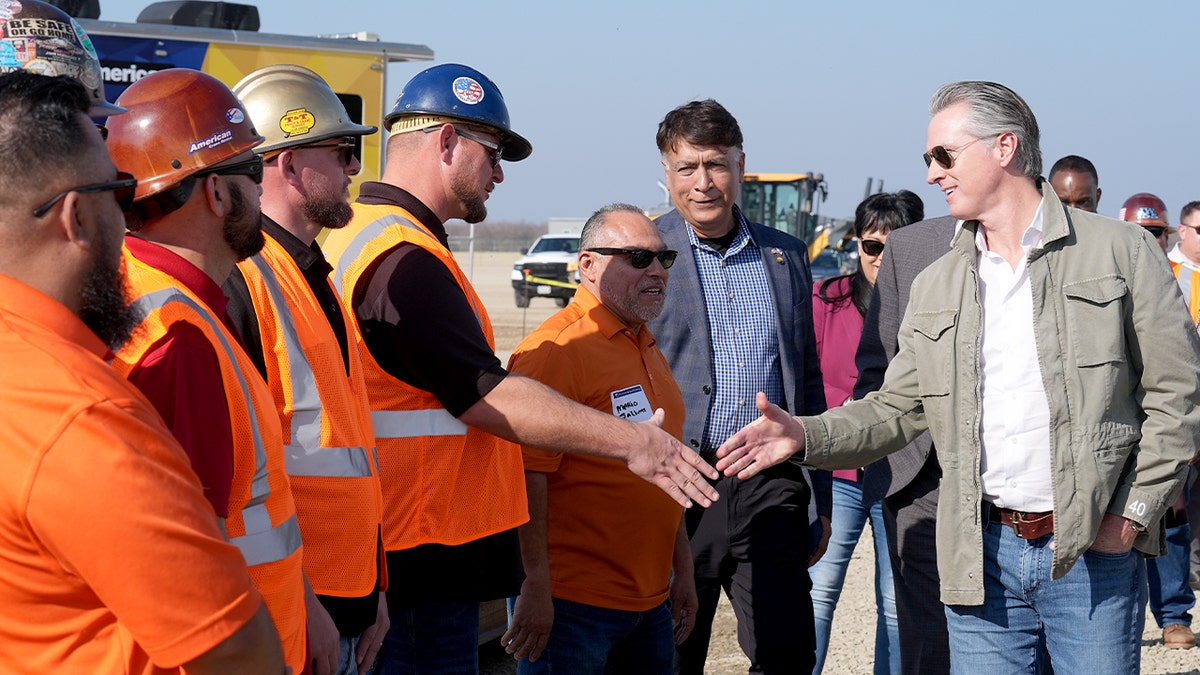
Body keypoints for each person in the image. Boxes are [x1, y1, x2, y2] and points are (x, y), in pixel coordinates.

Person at [717, 80, 1200, 674]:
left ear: (1004, 148)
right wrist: (806, 436)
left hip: (1091, 557)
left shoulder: (1123, 251)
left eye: (943, 156)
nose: (931, 174)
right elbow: (896, 408)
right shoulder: (938, 282)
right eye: (928, 159)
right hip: (981, 556)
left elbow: (1177, 394)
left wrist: (1131, 514)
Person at [322, 63, 718, 674]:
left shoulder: (359, 235)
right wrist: (634, 442)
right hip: (417, 557)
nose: (500, 174)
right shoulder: (403, 259)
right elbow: (486, 394)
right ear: (448, 142)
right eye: (494, 153)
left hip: (394, 549)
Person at [0, 68, 284, 674]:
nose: (128, 218)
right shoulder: (82, 412)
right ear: (76, 217)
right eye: (117, 193)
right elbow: (231, 646)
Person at [104, 68, 309, 673]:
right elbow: (189, 565)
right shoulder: (179, 339)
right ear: (218, 193)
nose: (265, 193)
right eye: (253, 172)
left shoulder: (143, 293)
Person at [644, 98, 831, 675]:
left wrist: (818, 497)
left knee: (788, 652)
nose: (703, 183)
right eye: (687, 168)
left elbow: (807, 376)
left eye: (716, 165)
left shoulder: (786, 256)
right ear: (667, 174)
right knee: (674, 654)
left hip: (768, 484)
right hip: (678, 485)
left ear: (741, 165)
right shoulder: (643, 254)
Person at [223, 64, 389, 673]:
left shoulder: (316, 275)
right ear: (288, 165)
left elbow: (348, 446)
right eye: (343, 150)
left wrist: (377, 585)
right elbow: (240, 476)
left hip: (348, 599)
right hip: (295, 611)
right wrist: (302, 602)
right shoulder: (244, 279)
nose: (353, 167)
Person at [504, 203, 698, 674]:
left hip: (649, 605)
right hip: (573, 608)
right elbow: (527, 476)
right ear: (587, 264)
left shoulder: (645, 342)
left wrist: (683, 572)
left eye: (663, 259)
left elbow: (664, 470)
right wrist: (534, 585)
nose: (656, 270)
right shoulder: (554, 351)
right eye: (637, 258)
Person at [809, 191, 924, 675]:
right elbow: (804, 382)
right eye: (872, 246)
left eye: (895, 247)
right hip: (837, 475)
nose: (881, 258)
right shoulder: (824, 303)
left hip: (905, 473)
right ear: (857, 245)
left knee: (896, 601)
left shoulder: (936, 307)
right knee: (818, 592)